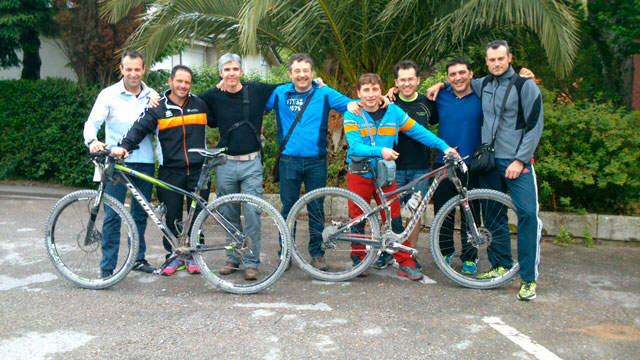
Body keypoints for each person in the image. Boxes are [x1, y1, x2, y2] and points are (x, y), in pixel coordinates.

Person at [428, 40, 544, 300]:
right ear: (486, 62)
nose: (496, 63)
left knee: (526, 215)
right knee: (493, 218)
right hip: (488, 163)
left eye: (501, 59)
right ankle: (500, 265)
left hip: (516, 162)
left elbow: (535, 126)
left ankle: (528, 278)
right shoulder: (484, 84)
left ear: (510, 57)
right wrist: (440, 84)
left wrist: (520, 160)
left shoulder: (525, 86)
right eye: (491, 60)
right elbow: (459, 83)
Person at [344, 73, 458, 281]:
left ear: (381, 91)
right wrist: (381, 151)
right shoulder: (352, 113)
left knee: (394, 218)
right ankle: (359, 258)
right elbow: (354, 145)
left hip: (385, 174)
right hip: (360, 172)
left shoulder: (393, 112)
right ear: (358, 93)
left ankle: (405, 262)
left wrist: (444, 147)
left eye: (375, 90)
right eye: (366, 91)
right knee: (358, 218)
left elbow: (419, 131)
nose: (370, 95)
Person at [111, 65, 215, 277]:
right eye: (179, 81)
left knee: (197, 217)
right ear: (171, 81)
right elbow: (138, 128)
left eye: (187, 82)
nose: (183, 86)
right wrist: (124, 146)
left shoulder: (201, 104)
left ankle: (196, 256)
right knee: (173, 217)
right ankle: (174, 256)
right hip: (171, 171)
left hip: (199, 171)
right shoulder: (158, 106)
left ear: (191, 84)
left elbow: (223, 114)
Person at [264, 53, 363, 272]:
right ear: (290, 74)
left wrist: (382, 99)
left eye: (305, 71)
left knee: (316, 208)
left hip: (316, 161)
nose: (301, 75)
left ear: (312, 73)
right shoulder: (279, 93)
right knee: (288, 208)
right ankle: (285, 252)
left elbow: (352, 105)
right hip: (288, 161)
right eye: (297, 71)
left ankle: (317, 254)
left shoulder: (324, 93)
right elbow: (252, 102)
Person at [198, 53, 281, 280]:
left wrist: (317, 83)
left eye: (235, 69)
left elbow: (289, 85)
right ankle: (233, 258)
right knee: (228, 212)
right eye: (226, 70)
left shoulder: (256, 90)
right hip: (225, 164)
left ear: (241, 72)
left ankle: (252, 262)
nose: (231, 73)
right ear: (220, 73)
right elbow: (187, 99)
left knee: (253, 213)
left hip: (252, 163)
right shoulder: (212, 96)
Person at [83, 50, 158, 278]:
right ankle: (107, 268)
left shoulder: (152, 96)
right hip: (114, 164)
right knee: (113, 215)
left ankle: (138, 259)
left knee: (139, 215)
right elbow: (92, 123)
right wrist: (93, 141)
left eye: (137, 69)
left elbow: (162, 129)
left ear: (143, 70)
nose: (133, 74)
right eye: (129, 69)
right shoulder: (109, 95)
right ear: (122, 69)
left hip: (144, 162)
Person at [373, 60, 438, 270]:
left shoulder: (428, 103)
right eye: (402, 80)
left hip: (420, 167)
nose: (407, 83)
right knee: (390, 212)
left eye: (411, 79)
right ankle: (387, 252)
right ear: (396, 82)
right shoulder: (389, 103)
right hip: (394, 168)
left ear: (418, 80)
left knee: (415, 213)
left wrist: (442, 85)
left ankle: (409, 253)